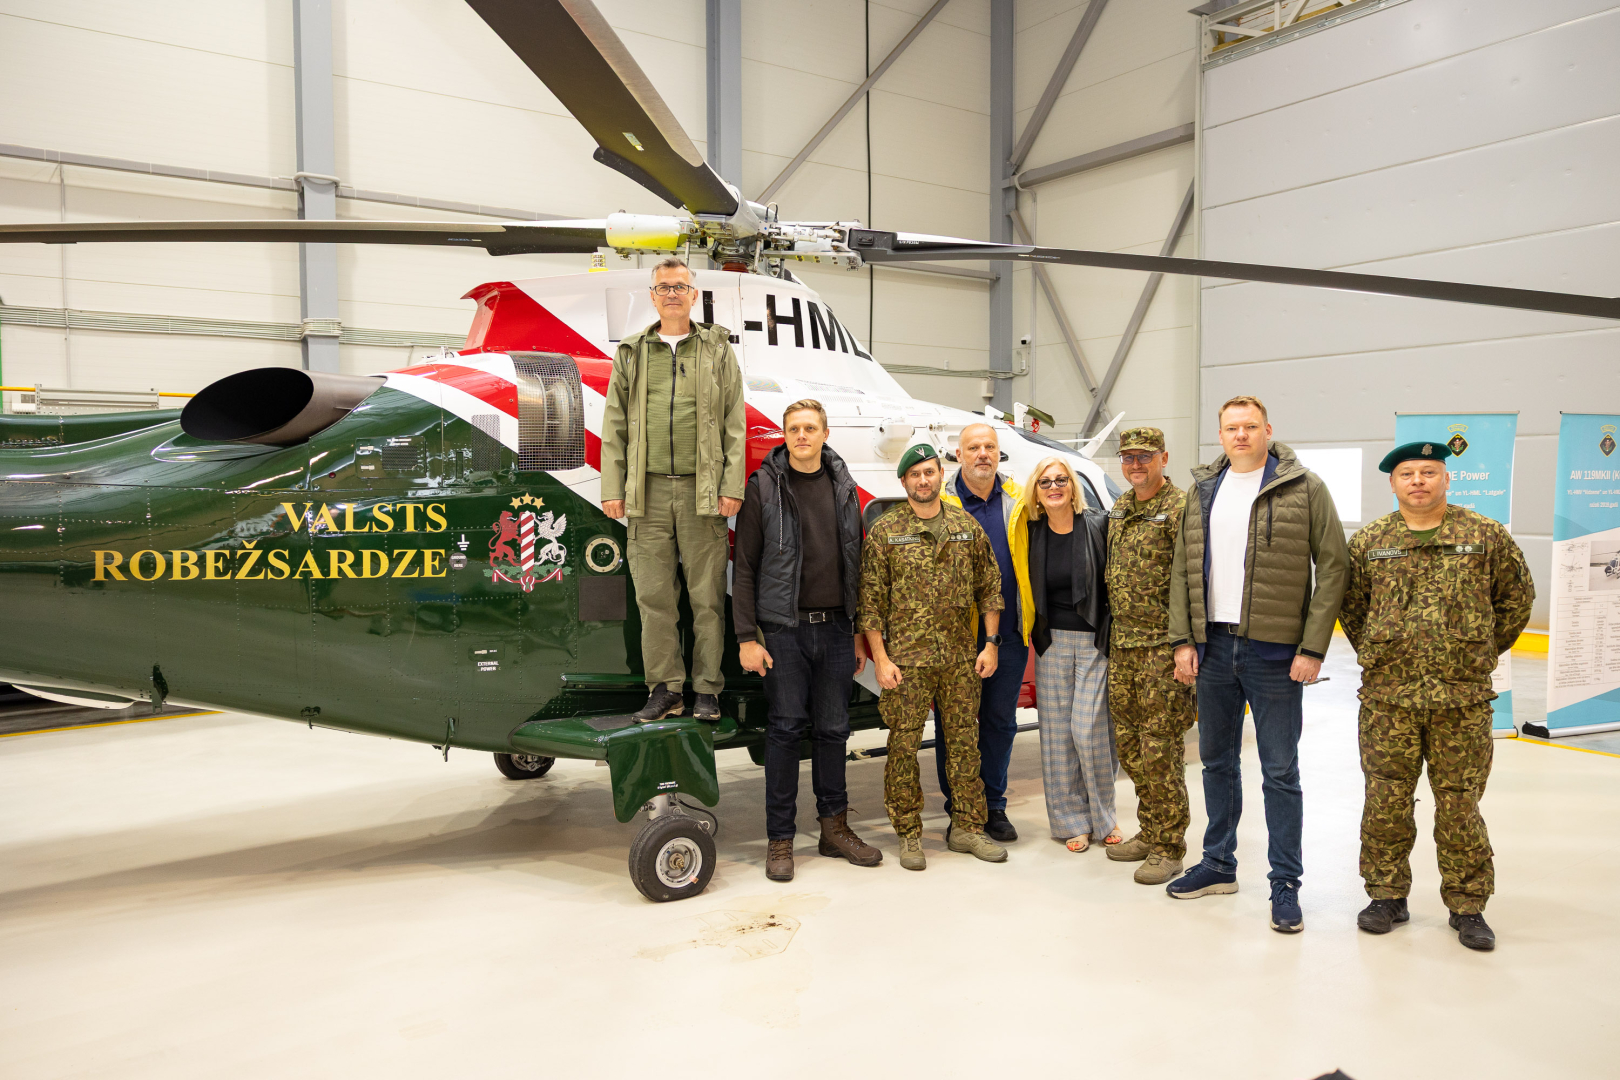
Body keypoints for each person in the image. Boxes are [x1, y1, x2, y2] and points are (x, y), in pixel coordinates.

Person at [1339, 441, 1533, 951]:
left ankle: (1468, 906)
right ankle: (1386, 897)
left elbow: (1516, 599)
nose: (1418, 481)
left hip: (1461, 699)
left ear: (1447, 479)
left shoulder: (1484, 535)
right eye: (1407, 474)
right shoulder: (1370, 541)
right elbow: (1353, 607)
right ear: (1393, 483)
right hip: (1388, 699)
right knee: (1385, 801)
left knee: (1460, 804)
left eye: (1429, 472)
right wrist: (1382, 653)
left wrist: (1478, 651)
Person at [1167, 395, 1348, 934]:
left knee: (1280, 771)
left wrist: (1312, 647)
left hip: (1274, 653)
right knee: (1216, 763)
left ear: (1268, 430)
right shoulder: (1203, 489)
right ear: (1220, 435)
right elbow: (1181, 568)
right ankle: (1218, 864)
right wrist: (1183, 640)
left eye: (1250, 426)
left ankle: (1285, 883)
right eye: (1231, 428)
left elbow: (1333, 567)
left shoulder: (1305, 488)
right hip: (1213, 648)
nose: (1240, 435)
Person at [733, 399, 880, 881]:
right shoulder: (763, 486)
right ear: (785, 434)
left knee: (834, 729)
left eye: (810, 428)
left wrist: (857, 631)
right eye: (794, 428)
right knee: (784, 730)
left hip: (836, 628)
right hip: (784, 630)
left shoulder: (843, 485)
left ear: (824, 434)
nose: (802, 435)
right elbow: (745, 566)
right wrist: (746, 637)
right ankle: (780, 838)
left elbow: (856, 561)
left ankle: (834, 829)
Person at [600, 257, 746, 723]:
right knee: (654, 600)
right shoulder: (631, 352)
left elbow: (734, 421)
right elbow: (614, 425)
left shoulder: (717, 349)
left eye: (679, 286)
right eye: (663, 287)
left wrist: (731, 484)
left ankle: (707, 690)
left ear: (693, 294)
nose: (671, 294)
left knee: (707, 600)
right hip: (647, 495)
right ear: (652, 296)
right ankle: (665, 689)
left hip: (704, 493)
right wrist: (613, 487)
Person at [858, 443, 1008, 871]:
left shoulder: (965, 527)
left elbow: (990, 588)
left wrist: (991, 644)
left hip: (960, 660)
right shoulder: (887, 532)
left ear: (941, 475)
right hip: (905, 662)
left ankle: (967, 827)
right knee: (903, 749)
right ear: (903, 481)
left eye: (929, 472)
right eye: (915, 474)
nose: (923, 480)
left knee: (964, 746)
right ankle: (908, 833)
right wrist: (880, 659)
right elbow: (870, 604)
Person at [1102, 427, 1197, 885]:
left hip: (1163, 648)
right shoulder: (1121, 507)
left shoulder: (1182, 508)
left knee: (1161, 750)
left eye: (1144, 456)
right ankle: (1150, 829)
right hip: (1123, 647)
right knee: (1130, 747)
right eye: (1128, 457)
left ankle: (1169, 846)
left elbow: (1194, 579)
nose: (1135, 465)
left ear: (1163, 458)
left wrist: (1185, 645)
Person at [1017, 455, 1116, 852]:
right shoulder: (1030, 532)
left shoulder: (1097, 525)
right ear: (1036, 492)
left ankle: (1103, 817)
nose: (1054, 487)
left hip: (1093, 640)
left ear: (1073, 486)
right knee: (1057, 737)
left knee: (1089, 731)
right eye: (1045, 482)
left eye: (1061, 480)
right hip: (1051, 642)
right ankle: (1070, 821)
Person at [938, 422, 1029, 843]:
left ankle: (993, 805)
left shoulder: (1019, 499)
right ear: (959, 454)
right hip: (955, 638)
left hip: (1008, 633)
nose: (982, 454)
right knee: (953, 726)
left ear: (998, 452)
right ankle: (959, 808)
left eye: (989, 447)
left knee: (999, 722)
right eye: (973, 447)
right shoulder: (941, 502)